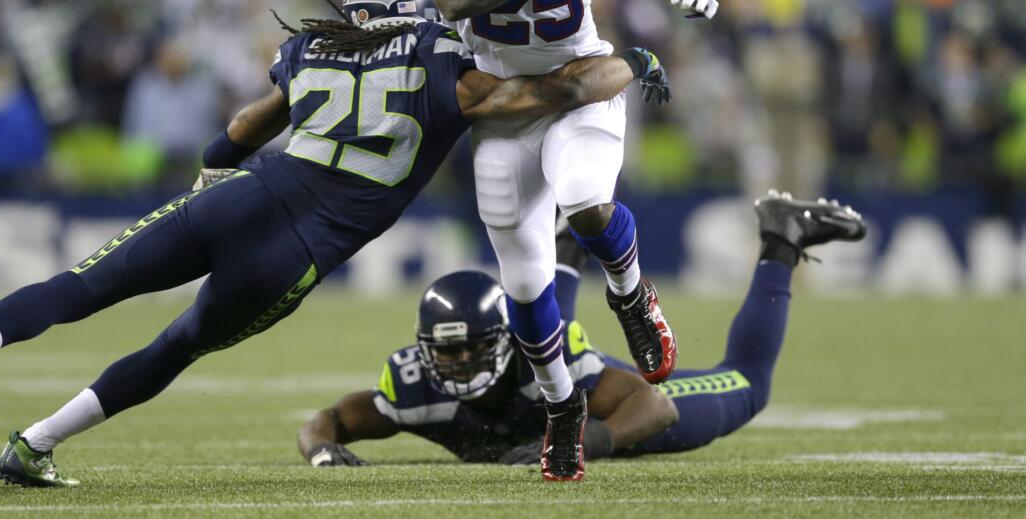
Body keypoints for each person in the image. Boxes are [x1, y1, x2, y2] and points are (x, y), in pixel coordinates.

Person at [0, 0, 671, 487]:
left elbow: (248, 121)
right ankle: (34, 442)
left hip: (242, 195)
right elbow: (555, 90)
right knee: (173, 346)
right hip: (297, 252)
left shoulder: (311, 50)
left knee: (78, 286)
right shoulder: (448, 69)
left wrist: (212, 166)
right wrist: (627, 63)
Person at [401, 0, 719, 479]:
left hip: (579, 85)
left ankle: (632, 292)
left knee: (583, 199)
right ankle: (562, 410)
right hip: (506, 103)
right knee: (522, 282)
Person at [298, 192, 867, 471]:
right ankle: (567, 237)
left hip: (608, 406)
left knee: (747, 384)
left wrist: (585, 441)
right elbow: (328, 421)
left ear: (504, 339)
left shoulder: (542, 355)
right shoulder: (415, 385)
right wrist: (323, 451)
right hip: (556, 378)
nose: (460, 361)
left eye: (473, 346)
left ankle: (781, 239)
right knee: (552, 329)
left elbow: (655, 409)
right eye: (447, 350)